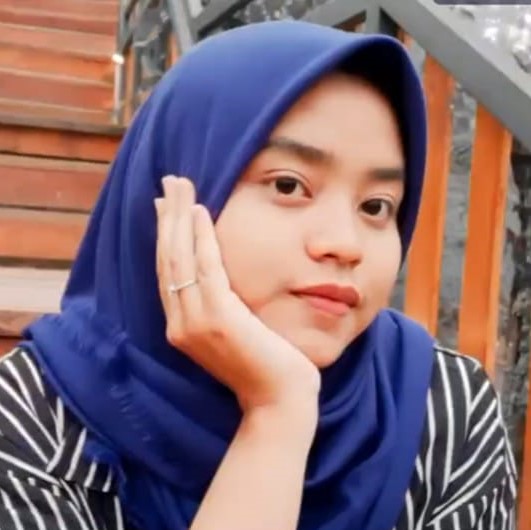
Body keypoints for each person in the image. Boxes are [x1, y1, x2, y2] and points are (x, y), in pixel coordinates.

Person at [0, 20, 517, 530]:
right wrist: (277, 415)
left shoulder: (443, 406)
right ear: (172, 194)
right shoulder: (32, 418)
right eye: (288, 186)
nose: (345, 243)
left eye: (377, 206)